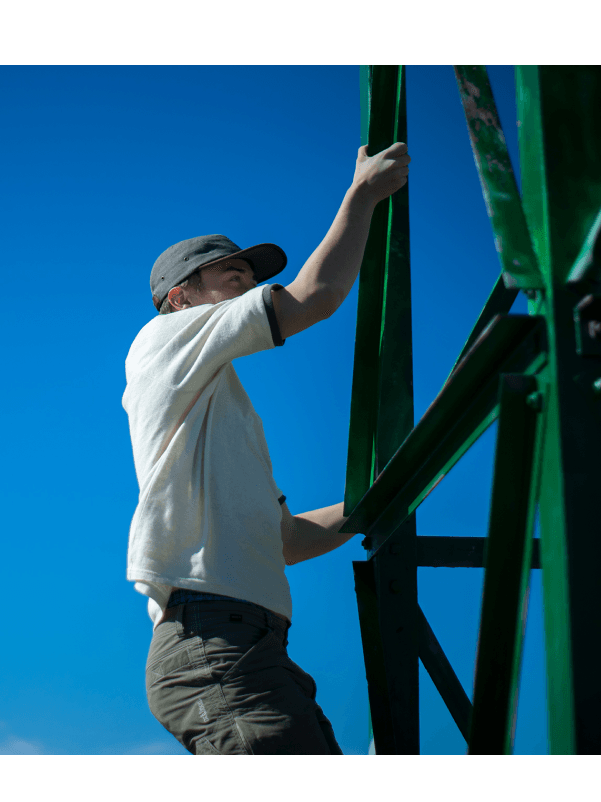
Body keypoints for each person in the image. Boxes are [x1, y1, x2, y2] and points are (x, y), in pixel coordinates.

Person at [122, 141, 411, 754]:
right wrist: (361, 196)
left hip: (246, 644)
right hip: (213, 643)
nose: (249, 280)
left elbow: (286, 541)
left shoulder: (221, 418)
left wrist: (388, 492)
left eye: (250, 274)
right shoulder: (163, 339)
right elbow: (314, 298)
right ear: (180, 296)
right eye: (231, 272)